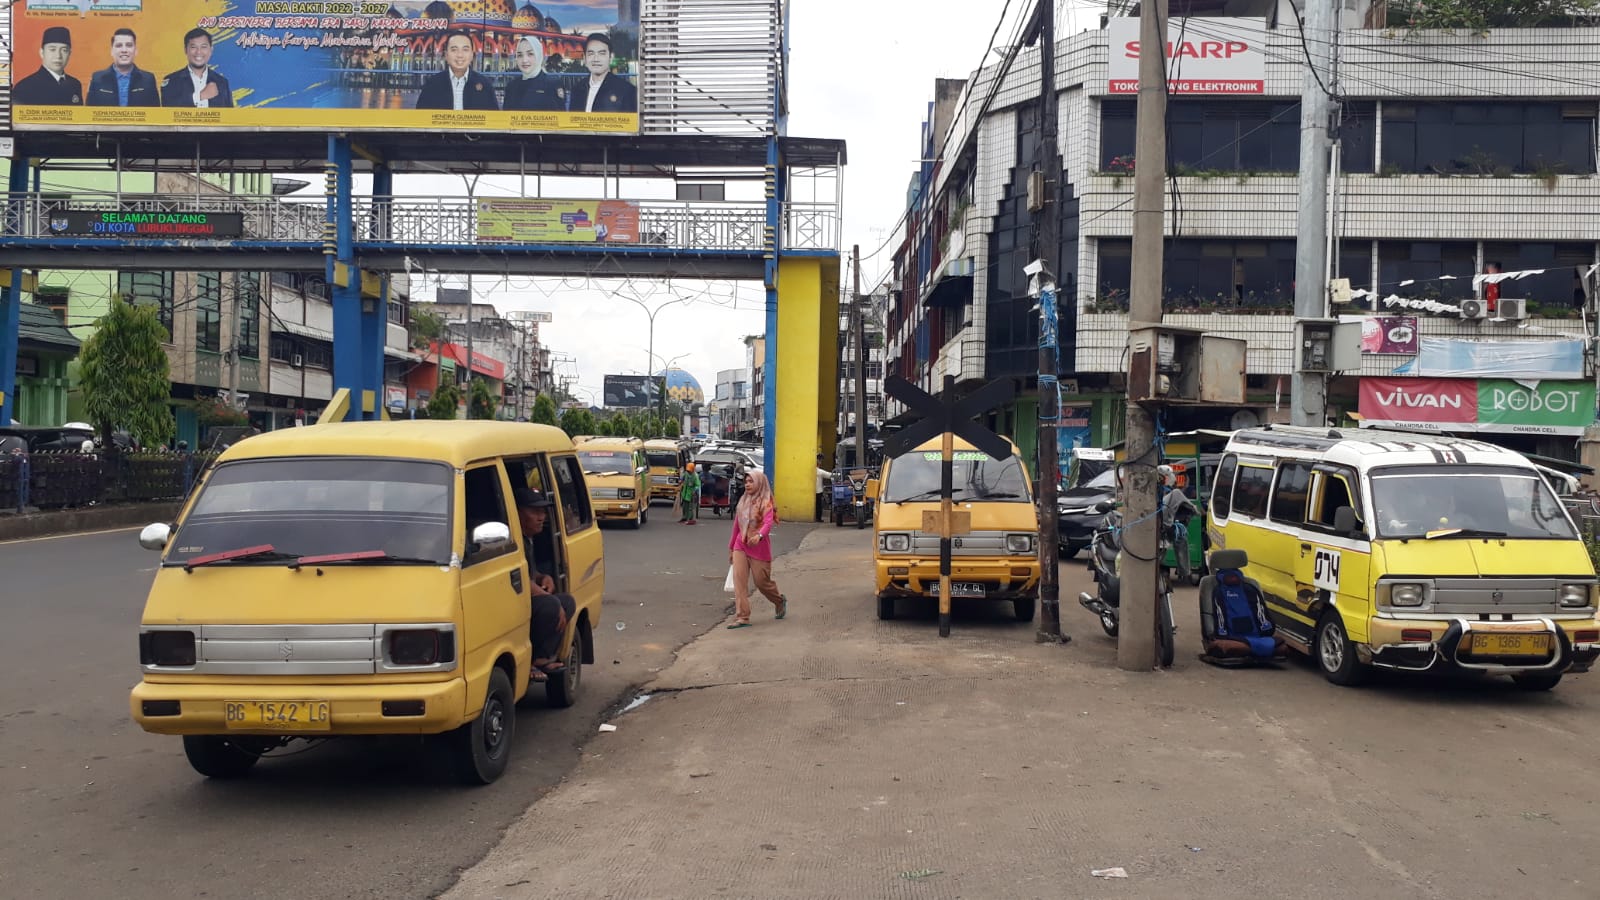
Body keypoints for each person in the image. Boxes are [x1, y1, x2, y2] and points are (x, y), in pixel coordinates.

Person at [514, 487, 577, 680]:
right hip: (513, 600)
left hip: (527, 598)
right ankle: (529, 660)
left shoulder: (529, 539)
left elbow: (531, 574)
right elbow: (521, 578)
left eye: (542, 512)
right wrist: (549, 599)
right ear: (516, 512)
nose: (541, 517)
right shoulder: (515, 540)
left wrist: (543, 578)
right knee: (551, 605)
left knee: (567, 602)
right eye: (534, 512)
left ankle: (540, 657)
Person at [726, 471, 786, 629]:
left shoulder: (766, 502)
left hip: (759, 548)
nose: (747, 484)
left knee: (761, 582)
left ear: (759, 483)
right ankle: (742, 617)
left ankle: (779, 601)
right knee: (739, 581)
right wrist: (731, 547)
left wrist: (759, 536)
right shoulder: (743, 501)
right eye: (746, 481)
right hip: (741, 545)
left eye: (751, 481)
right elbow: (736, 526)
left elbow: (768, 523)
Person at [415, 30, 500, 111]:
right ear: (446, 55)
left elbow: (494, 120)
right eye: (454, 50)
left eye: (465, 50)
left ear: (471, 55)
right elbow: (421, 117)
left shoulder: (485, 85)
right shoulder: (432, 85)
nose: (460, 55)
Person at [161, 27, 232, 108]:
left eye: (203, 47)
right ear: (185, 50)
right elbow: (167, 110)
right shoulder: (171, 81)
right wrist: (199, 96)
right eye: (193, 47)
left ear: (211, 50)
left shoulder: (222, 83)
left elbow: (229, 116)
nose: (198, 52)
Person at [12, 26, 84, 107]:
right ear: (42, 52)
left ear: (69, 54)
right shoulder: (24, 87)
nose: (58, 56)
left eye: (64, 50)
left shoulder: (75, 84)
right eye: (52, 49)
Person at [88, 28, 158, 107]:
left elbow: (155, 115)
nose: (124, 50)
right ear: (112, 51)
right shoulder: (97, 79)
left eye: (129, 45)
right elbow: (88, 114)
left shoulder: (148, 79)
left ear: (136, 51)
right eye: (119, 46)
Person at [575, 32, 637, 113]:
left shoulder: (627, 91)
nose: (596, 59)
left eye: (602, 53)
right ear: (584, 58)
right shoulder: (577, 89)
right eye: (591, 53)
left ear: (611, 57)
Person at [502, 36, 565, 111]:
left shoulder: (552, 85)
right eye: (520, 55)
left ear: (539, 55)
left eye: (530, 54)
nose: (524, 60)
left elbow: (560, 119)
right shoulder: (511, 86)